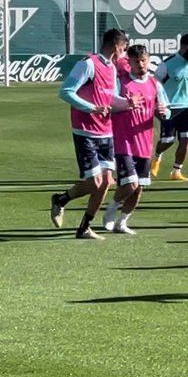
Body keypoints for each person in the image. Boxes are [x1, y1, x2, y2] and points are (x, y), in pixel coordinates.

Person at [50, 28, 137, 239]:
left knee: (107, 182)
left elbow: (110, 99)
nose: (124, 53)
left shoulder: (112, 69)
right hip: (85, 131)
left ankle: (84, 227)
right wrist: (92, 108)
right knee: (96, 182)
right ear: (117, 46)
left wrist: (127, 104)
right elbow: (66, 92)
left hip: (105, 132)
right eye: (124, 49)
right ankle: (61, 200)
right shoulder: (87, 64)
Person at [102, 44, 171, 234]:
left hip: (145, 143)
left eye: (144, 60)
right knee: (131, 183)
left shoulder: (155, 84)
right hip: (123, 141)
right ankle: (111, 209)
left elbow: (166, 110)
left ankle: (122, 222)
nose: (141, 64)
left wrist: (163, 113)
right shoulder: (121, 83)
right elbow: (109, 105)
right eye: (136, 61)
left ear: (148, 61)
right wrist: (125, 105)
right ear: (129, 63)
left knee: (139, 187)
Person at [151, 34, 188, 181]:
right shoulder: (168, 64)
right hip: (169, 107)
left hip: (187, 109)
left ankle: (176, 171)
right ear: (184, 47)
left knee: (186, 138)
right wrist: (159, 102)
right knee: (168, 141)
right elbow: (155, 83)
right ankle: (157, 156)